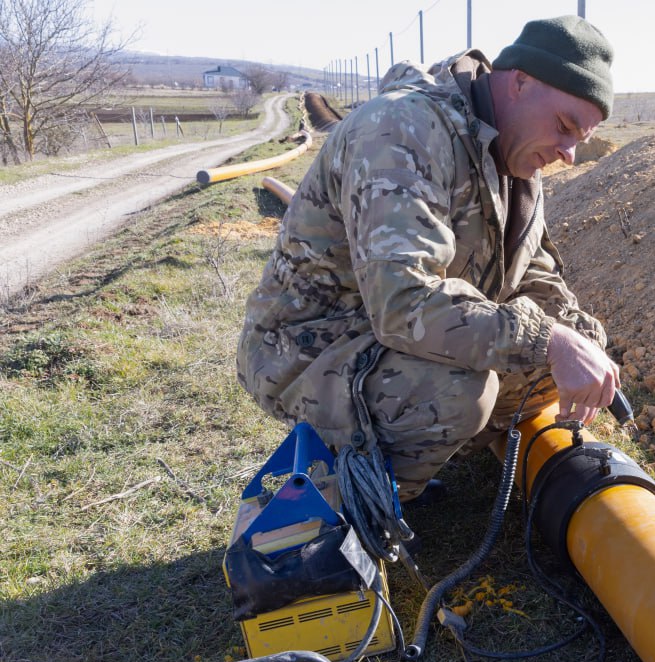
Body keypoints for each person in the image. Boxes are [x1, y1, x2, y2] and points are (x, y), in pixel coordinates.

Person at [236, 16, 619, 501]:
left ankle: (428, 441)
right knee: (462, 391)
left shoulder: (515, 155)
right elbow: (402, 303)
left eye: (578, 139)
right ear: (519, 82)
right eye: (564, 127)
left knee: (571, 353)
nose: (568, 153)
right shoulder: (403, 132)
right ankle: (349, 495)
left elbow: (533, 272)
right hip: (312, 349)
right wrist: (547, 340)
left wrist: (576, 336)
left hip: (389, 339)